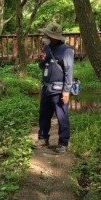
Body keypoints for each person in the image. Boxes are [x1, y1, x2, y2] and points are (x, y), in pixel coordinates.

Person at [37, 22, 74, 154]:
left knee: (61, 117)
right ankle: (43, 138)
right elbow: (42, 67)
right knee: (44, 115)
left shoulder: (67, 50)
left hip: (59, 90)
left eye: (47, 34)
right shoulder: (46, 48)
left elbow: (68, 71)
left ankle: (63, 143)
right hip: (46, 88)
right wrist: (41, 60)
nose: (45, 35)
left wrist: (66, 90)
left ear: (54, 36)